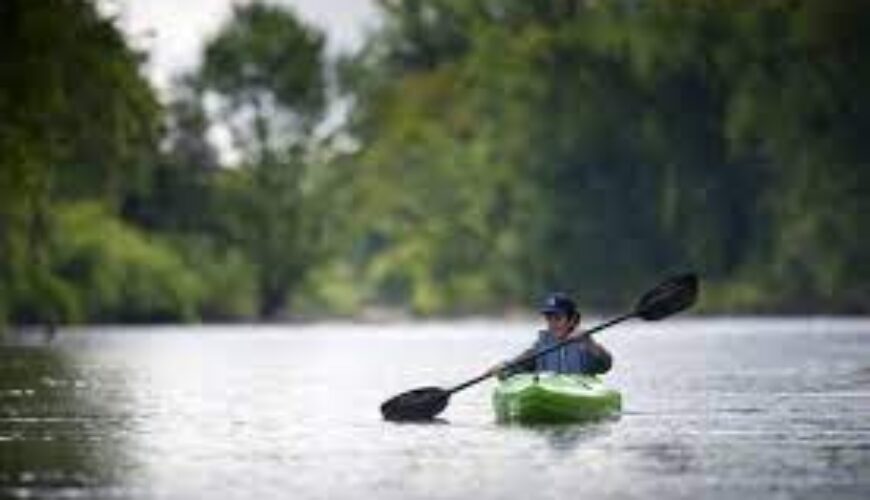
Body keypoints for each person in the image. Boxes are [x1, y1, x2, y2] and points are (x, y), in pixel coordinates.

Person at [493, 293, 612, 378]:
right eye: (549, 319)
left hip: (578, 393)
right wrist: (503, 367)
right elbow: (518, 365)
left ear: (572, 320)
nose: (553, 324)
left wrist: (589, 343)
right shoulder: (541, 347)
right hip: (548, 392)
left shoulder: (585, 345)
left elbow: (606, 365)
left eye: (558, 318)